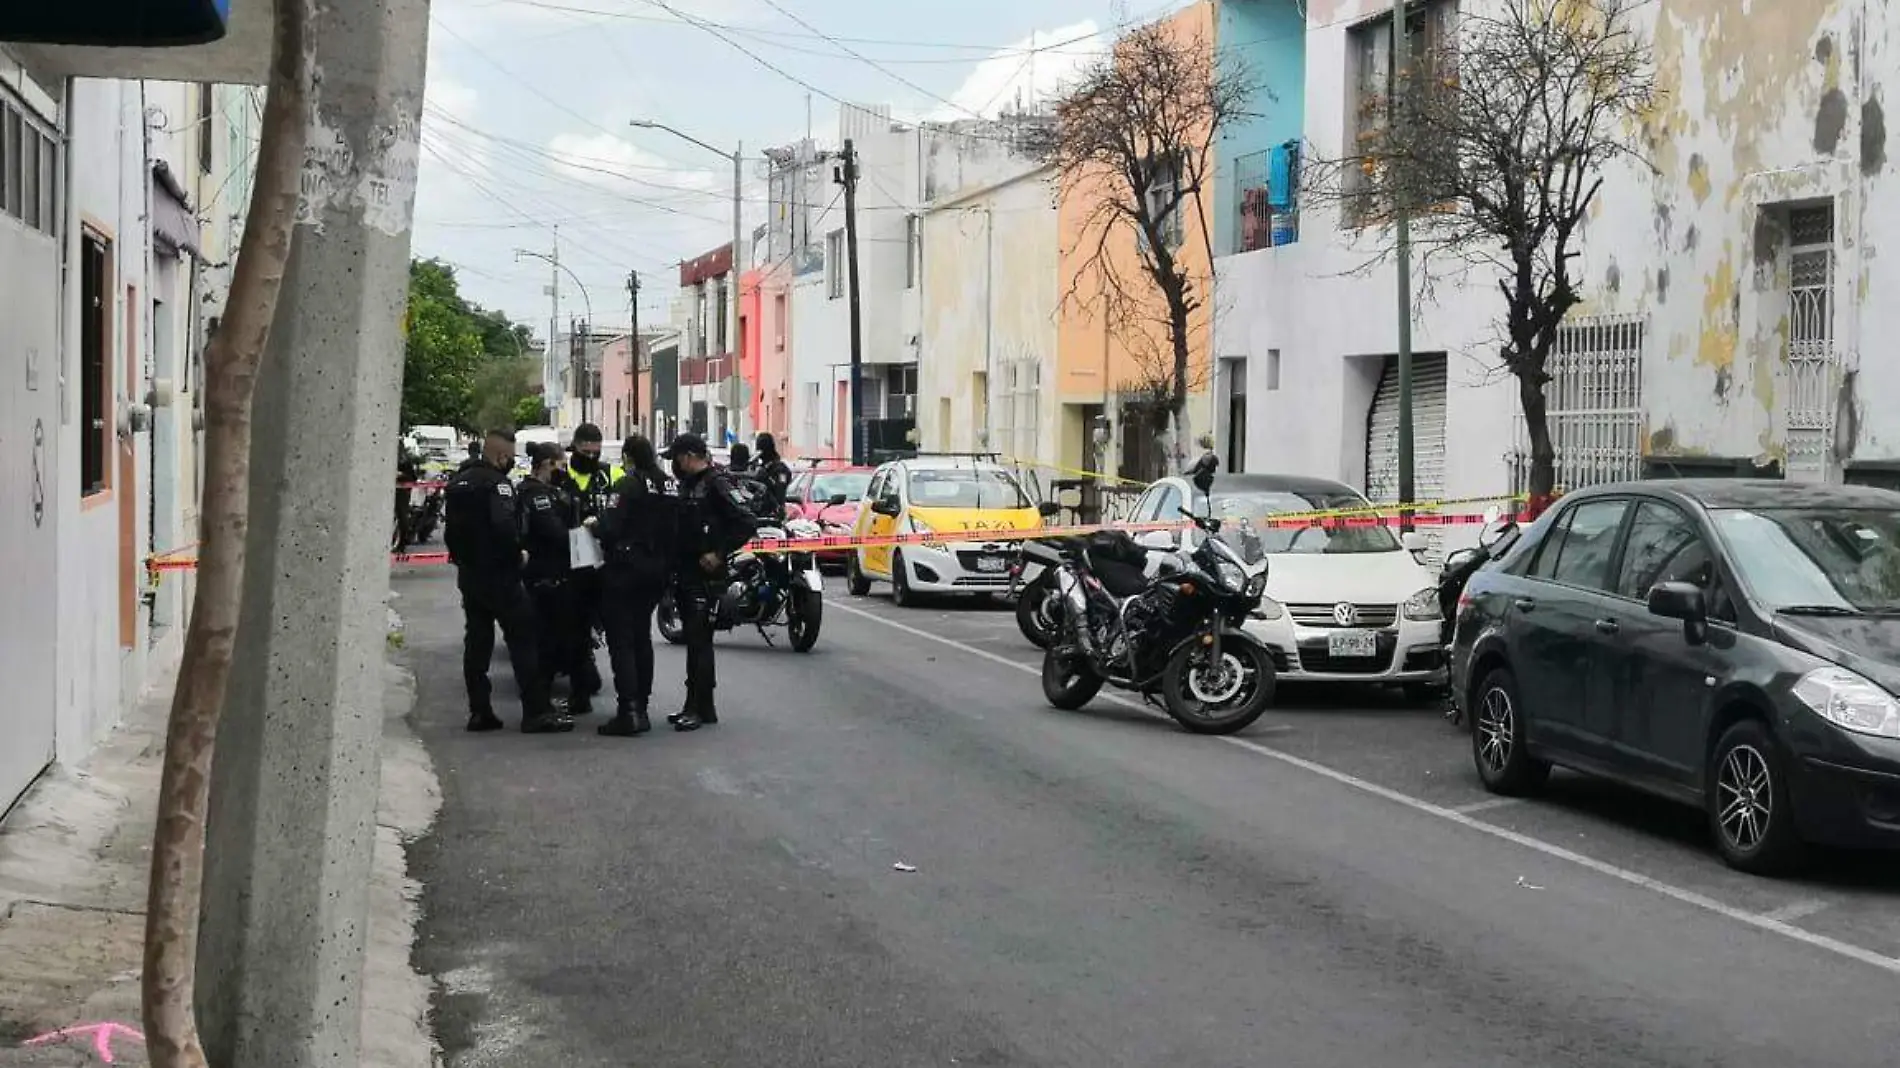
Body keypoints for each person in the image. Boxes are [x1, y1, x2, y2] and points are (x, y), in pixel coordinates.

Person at [442, 429, 572, 734]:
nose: (511, 462)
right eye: (510, 457)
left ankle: (480, 710)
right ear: (501, 456)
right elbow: (503, 528)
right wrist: (517, 555)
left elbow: (451, 533)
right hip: (500, 574)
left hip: (470, 575)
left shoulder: (458, 483)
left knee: (477, 642)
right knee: (524, 638)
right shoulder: (497, 485)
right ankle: (536, 711)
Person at [662, 432, 758, 732]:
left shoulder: (717, 482)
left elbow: (746, 521)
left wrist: (718, 553)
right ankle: (698, 705)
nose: (674, 466)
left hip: (704, 575)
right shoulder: (690, 484)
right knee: (694, 640)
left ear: (689, 456)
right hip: (685, 570)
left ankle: (700, 707)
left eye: (677, 459)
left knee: (699, 641)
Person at [590, 435, 678, 736]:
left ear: (628, 456)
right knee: (642, 637)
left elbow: (610, 527)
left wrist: (594, 525)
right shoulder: (668, 485)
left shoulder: (628, 484)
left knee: (622, 640)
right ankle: (641, 706)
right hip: (657, 571)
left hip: (626, 570)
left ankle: (628, 710)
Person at [518, 442, 594, 718]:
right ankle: (542, 706)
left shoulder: (557, 492)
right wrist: (582, 533)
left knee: (575, 639)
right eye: (560, 466)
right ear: (547, 464)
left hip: (566, 575)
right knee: (547, 643)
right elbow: (556, 533)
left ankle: (579, 696)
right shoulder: (534, 494)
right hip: (546, 577)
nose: (564, 472)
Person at [557, 423, 620, 702]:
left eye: (596, 453)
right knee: (573, 626)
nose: (592, 458)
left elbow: (626, 508)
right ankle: (580, 684)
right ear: (575, 447)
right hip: (568, 558)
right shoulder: (560, 474)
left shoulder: (611, 474)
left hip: (605, 558)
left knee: (613, 623)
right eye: (586, 452)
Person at [753, 432, 793, 518]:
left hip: (773, 515)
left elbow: (780, 492)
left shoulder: (779, 469)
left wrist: (766, 479)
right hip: (757, 513)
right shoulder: (761, 467)